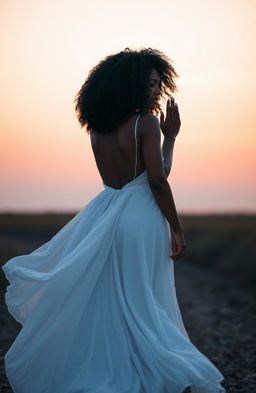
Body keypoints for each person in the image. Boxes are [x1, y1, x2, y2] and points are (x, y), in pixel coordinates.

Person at [2, 47, 226, 393]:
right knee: (144, 299)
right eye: (151, 84)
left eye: (158, 84)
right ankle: (163, 370)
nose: (157, 91)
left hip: (106, 213)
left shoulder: (96, 128)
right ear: (132, 86)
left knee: (118, 299)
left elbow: (125, 180)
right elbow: (157, 178)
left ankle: (116, 369)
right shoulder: (146, 123)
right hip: (140, 218)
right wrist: (172, 140)